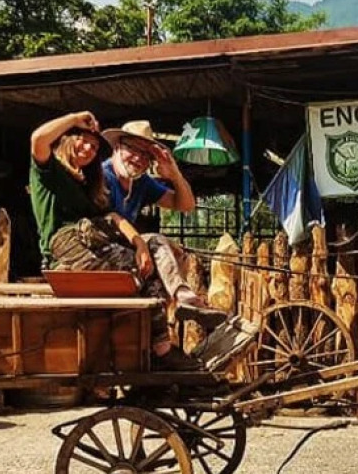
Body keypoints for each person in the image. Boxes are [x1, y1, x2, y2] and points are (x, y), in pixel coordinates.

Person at [28, 110, 223, 368]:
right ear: (117, 148)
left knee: (150, 256)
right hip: (69, 247)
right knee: (147, 263)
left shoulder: (91, 179)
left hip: (98, 244)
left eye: (146, 155)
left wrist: (173, 172)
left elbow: (181, 206)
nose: (88, 149)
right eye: (83, 141)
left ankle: (163, 335)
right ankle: (161, 347)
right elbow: (38, 140)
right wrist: (75, 118)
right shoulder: (53, 171)